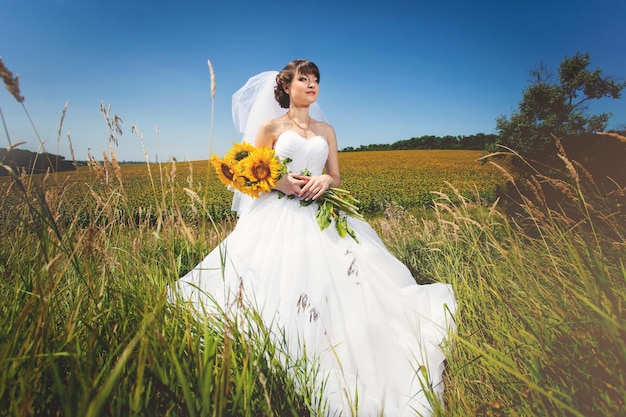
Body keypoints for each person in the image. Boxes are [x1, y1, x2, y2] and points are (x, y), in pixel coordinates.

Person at [170, 59, 456, 416]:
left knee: (350, 283)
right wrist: (281, 182)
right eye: (303, 79)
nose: (311, 84)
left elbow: (335, 175)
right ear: (286, 87)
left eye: (315, 79)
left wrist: (324, 182)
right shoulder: (270, 126)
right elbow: (247, 177)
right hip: (279, 214)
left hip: (322, 213)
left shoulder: (327, 130)